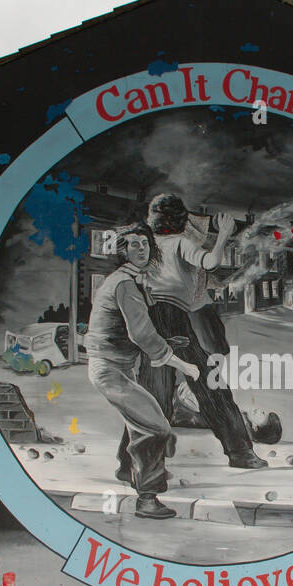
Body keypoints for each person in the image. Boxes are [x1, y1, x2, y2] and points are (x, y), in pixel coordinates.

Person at [119, 192, 267, 470]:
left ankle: (130, 465)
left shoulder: (148, 245)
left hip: (149, 318)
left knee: (152, 394)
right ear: (179, 221)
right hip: (173, 316)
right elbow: (210, 263)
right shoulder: (179, 242)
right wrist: (223, 234)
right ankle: (240, 452)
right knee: (210, 386)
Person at [86, 222, 200, 519]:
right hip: (109, 370)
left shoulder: (133, 281)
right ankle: (147, 499)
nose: (141, 249)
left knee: (139, 420)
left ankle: (128, 471)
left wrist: (169, 342)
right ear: (122, 250)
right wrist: (182, 363)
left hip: (120, 367)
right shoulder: (124, 283)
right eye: (133, 244)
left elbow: (135, 330)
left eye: (145, 243)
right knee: (156, 427)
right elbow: (142, 335)